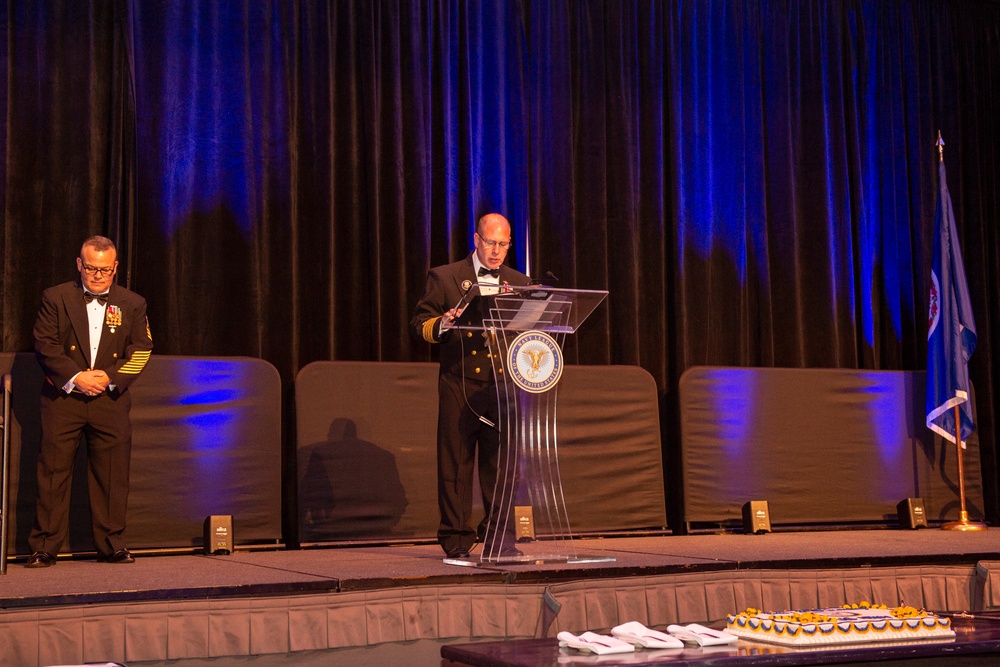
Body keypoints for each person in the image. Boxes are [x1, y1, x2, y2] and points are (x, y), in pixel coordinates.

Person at [25, 236, 153, 567]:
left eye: (105, 270)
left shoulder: (133, 303)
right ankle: (44, 546)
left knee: (112, 474)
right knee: (53, 471)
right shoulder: (56, 297)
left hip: (109, 399)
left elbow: (141, 349)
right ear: (79, 264)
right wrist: (77, 377)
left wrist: (109, 378)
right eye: (91, 268)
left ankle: (112, 544)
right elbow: (45, 344)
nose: (97, 276)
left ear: (116, 267)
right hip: (64, 396)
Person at [411, 213, 531, 559]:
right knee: (456, 465)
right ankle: (457, 539)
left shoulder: (519, 281)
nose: (496, 251)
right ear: (476, 240)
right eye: (491, 243)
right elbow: (419, 324)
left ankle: (500, 539)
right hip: (459, 382)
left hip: (502, 384)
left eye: (503, 244)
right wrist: (443, 323)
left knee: (502, 466)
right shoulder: (446, 276)